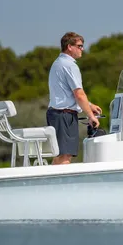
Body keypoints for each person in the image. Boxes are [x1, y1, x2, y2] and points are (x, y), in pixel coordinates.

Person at [46, 32, 102, 165]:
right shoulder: (70, 65)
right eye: (79, 46)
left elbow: (67, 93)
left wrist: (89, 105)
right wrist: (91, 116)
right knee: (65, 157)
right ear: (69, 47)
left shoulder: (58, 63)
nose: (82, 49)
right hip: (64, 115)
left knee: (60, 156)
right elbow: (79, 94)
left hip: (56, 114)